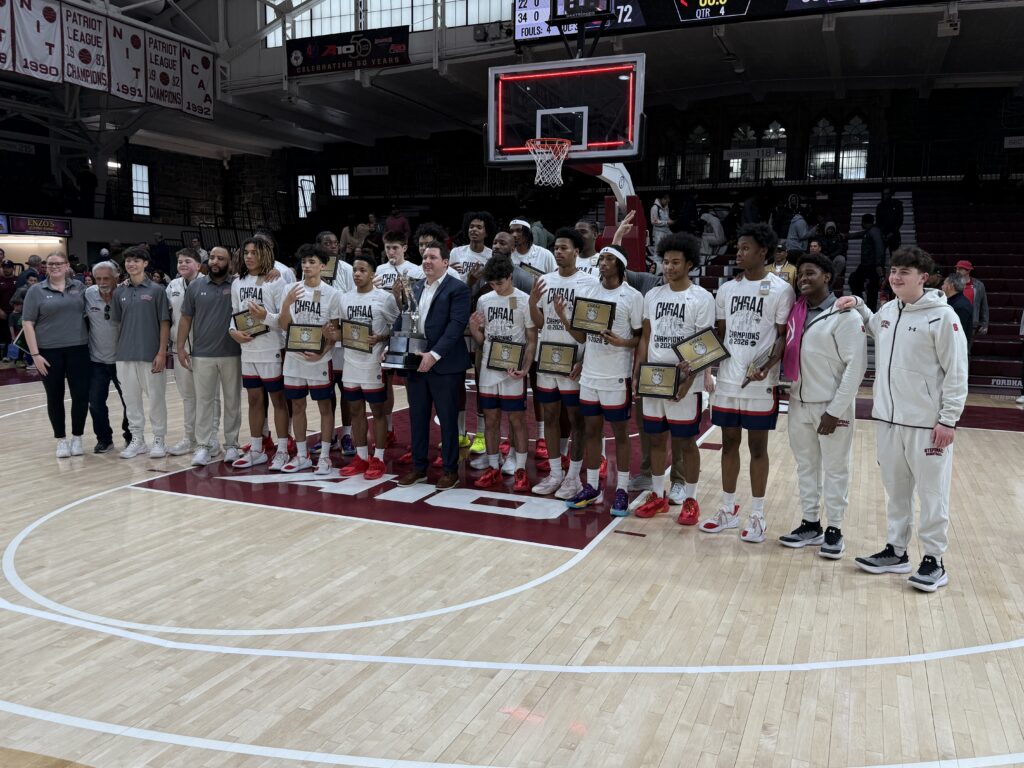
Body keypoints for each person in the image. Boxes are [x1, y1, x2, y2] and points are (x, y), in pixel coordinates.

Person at [840, 247, 968, 592]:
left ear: (923, 278)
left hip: (928, 425)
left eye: (904, 273)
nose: (895, 277)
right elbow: (876, 328)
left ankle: (934, 560)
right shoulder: (888, 310)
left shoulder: (943, 317)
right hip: (888, 420)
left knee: (932, 494)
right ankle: (896, 551)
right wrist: (860, 306)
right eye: (894, 271)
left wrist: (948, 420)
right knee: (896, 492)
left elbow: (957, 373)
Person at [700, 223, 795, 542]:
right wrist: (703, 365)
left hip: (759, 383)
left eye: (745, 248)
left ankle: (757, 514)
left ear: (763, 251)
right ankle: (728, 508)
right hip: (727, 380)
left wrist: (767, 366)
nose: (738, 253)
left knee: (757, 447)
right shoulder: (727, 289)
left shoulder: (781, 289)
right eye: (737, 248)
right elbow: (721, 334)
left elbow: (783, 338)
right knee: (728, 443)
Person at [778, 254, 867, 558]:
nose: (803, 278)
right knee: (806, 467)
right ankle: (811, 523)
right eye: (800, 274)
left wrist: (835, 410)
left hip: (831, 407)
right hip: (799, 402)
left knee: (836, 469)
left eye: (810, 273)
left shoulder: (846, 315)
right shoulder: (796, 312)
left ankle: (835, 528)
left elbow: (857, 368)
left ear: (827, 276)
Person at [630, 232, 715, 523]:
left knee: (686, 443)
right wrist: (636, 374)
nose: (668, 267)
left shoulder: (702, 298)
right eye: (665, 262)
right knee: (655, 440)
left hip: (683, 381)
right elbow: (645, 338)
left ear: (689, 264)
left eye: (675, 262)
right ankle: (657, 494)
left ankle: (691, 500)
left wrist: (689, 380)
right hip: (654, 377)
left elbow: (703, 343)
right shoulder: (652, 295)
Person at [554, 243, 643, 516]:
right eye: (601, 259)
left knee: (620, 435)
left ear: (619, 265)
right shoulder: (588, 291)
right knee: (592, 431)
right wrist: (564, 319)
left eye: (608, 259)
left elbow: (640, 338)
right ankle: (591, 487)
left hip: (616, 376)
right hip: (590, 375)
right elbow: (582, 337)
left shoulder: (632, 296)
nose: (602, 263)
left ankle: (621, 491)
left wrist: (622, 341)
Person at [528, 229, 600, 500]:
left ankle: (574, 477)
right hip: (547, 359)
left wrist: (585, 359)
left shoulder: (589, 283)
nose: (558, 251)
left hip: (574, 359)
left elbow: (592, 329)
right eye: (556, 247)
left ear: (577, 252)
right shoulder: (544, 281)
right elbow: (538, 323)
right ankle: (556, 473)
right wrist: (533, 302)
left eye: (564, 248)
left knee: (576, 419)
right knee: (549, 416)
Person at [395, 240, 471, 490]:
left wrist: (434, 354)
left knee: (448, 420)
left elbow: (456, 326)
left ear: (445, 262)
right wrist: (394, 345)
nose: (427, 261)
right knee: (417, 417)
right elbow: (405, 318)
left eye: (433, 257)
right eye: (425, 257)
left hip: (444, 365)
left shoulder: (458, 289)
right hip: (416, 362)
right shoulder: (415, 287)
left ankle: (450, 470)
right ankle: (419, 468)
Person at [469, 255, 537, 493]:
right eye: (493, 284)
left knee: (517, 419)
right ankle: (492, 466)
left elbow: (531, 340)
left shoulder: (524, 300)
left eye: (501, 283)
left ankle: (520, 469)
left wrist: (526, 367)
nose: (497, 287)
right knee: (491, 419)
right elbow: (482, 340)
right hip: (489, 367)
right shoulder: (484, 300)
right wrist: (473, 329)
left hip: (512, 369)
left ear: (510, 277)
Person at [278, 244, 342, 474]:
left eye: (312, 262)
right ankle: (302, 455)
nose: (306, 266)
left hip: (319, 358)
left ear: (323, 266)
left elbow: (334, 331)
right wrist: (286, 303)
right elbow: (284, 325)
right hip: (294, 356)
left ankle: (324, 456)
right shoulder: (290, 288)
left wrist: (322, 352)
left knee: (325, 406)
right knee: (297, 405)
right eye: (304, 262)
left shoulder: (333, 294)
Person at [177, 246, 242, 466]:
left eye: (220, 258)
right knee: (204, 402)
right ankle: (203, 446)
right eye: (212, 257)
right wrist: (180, 347)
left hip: (232, 352)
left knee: (232, 401)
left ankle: (232, 444)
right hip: (202, 354)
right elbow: (186, 318)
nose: (215, 261)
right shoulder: (195, 286)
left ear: (229, 262)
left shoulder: (238, 284)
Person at [21, 251, 91, 458]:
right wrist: (35, 355)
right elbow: (27, 323)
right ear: (45, 267)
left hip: (78, 349)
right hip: (48, 352)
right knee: (54, 396)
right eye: (50, 264)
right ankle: (61, 440)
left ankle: (77, 438)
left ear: (67, 265)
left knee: (80, 396)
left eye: (59, 263)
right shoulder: (36, 291)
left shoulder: (79, 287)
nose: (54, 267)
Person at [336, 252, 399, 479]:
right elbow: (341, 328)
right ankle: (361, 457)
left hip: (373, 363)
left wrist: (381, 338)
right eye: (354, 270)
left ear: (373, 274)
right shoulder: (344, 298)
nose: (357, 274)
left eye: (362, 270)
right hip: (350, 361)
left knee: (378, 411)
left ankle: (379, 458)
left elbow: (397, 329)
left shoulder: (385, 298)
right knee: (355, 410)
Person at [230, 236, 290, 470]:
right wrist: (232, 331)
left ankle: (283, 449)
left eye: (254, 252)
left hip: (271, 348)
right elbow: (234, 314)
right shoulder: (238, 282)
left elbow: (284, 322)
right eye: (246, 252)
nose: (249, 256)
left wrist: (265, 316)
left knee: (278, 401)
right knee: (254, 400)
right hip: (248, 349)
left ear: (265, 254)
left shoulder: (277, 282)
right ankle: (257, 449)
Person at [109, 247, 172, 459]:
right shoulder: (119, 292)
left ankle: (159, 439)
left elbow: (164, 322)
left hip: (151, 355)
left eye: (136, 260)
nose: (131, 264)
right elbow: (117, 324)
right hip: (125, 356)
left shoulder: (157, 290)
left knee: (156, 399)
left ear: (145, 263)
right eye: (128, 261)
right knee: (131, 400)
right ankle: (137, 440)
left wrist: (162, 352)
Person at [166, 248, 217, 457]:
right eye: (179, 262)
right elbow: (168, 316)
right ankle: (190, 438)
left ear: (198, 265)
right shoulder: (172, 286)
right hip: (180, 348)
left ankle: (211, 439)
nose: (182, 265)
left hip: (206, 348)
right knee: (188, 396)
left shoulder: (210, 282)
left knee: (209, 396)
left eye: (187, 261)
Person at [84, 261, 132, 453]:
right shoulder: (88, 294)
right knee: (95, 403)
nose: (102, 282)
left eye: (106, 278)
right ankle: (104, 439)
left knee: (129, 402)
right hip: (96, 361)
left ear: (116, 278)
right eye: (98, 279)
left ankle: (130, 437)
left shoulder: (126, 294)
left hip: (122, 360)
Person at [848, 214, 886, 312]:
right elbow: (859, 234)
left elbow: (879, 249)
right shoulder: (870, 231)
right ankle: (862, 304)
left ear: (864, 222)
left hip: (872, 265)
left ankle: (870, 310)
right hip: (866, 265)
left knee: (871, 289)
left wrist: (878, 265)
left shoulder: (874, 232)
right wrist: (846, 236)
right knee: (854, 280)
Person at [954, 260, 989, 343]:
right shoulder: (952, 284)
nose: (957, 271)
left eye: (960, 269)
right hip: (954, 321)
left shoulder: (979, 285)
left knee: (967, 348)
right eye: (957, 269)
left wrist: (985, 323)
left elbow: (984, 305)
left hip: (971, 322)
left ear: (968, 271)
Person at [942, 272, 974, 345]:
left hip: (956, 348)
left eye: (944, 284)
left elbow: (956, 333)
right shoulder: (954, 302)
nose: (942, 287)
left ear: (950, 286)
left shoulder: (960, 306)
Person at [876, 187, 904, 258]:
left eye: (887, 194)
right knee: (880, 256)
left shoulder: (897, 204)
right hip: (883, 235)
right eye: (884, 194)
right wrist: (883, 234)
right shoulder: (880, 206)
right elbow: (878, 221)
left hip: (894, 235)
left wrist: (892, 232)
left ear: (891, 194)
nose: (885, 195)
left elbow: (899, 220)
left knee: (895, 257)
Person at [0, 257, 17, 349]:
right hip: (2, 312)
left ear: (13, 268)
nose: (6, 269)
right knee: (3, 335)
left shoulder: (18, 280)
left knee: (14, 334)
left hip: (15, 313)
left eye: (8, 267)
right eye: (4, 267)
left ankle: (12, 355)